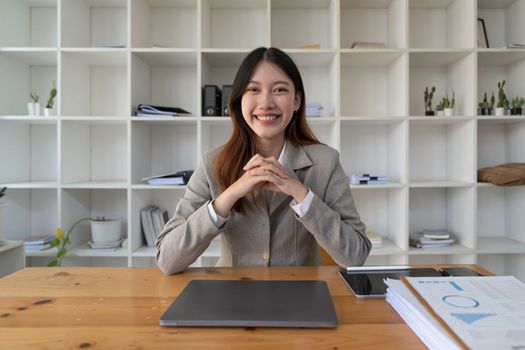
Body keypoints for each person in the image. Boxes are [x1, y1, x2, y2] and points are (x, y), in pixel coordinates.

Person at [156, 47, 371, 275]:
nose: (266, 102)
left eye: (279, 90)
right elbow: (167, 260)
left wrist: (301, 194)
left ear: (296, 101)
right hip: (233, 295)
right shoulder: (212, 163)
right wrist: (229, 196)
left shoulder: (325, 162)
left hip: (303, 296)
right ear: (239, 100)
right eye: (253, 90)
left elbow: (356, 256)